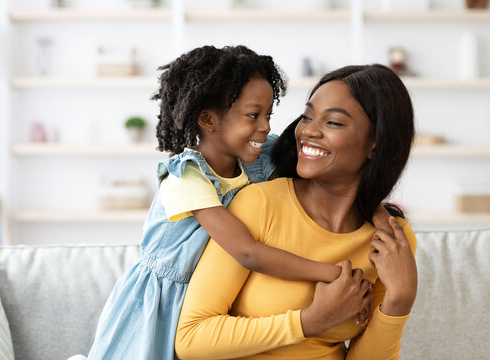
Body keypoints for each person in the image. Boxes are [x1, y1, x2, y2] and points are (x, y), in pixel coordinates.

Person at [86, 46, 385, 360]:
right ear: (208, 119)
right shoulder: (187, 177)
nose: (266, 126)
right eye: (253, 115)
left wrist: (375, 212)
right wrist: (330, 274)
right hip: (163, 299)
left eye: (269, 114)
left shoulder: (258, 156)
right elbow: (246, 251)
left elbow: (340, 171)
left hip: (207, 293)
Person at [175, 64, 418, 359]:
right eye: (307, 116)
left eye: (334, 123)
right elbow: (191, 340)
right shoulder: (259, 204)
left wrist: (400, 301)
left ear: (375, 143)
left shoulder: (391, 240)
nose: (308, 131)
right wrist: (309, 322)